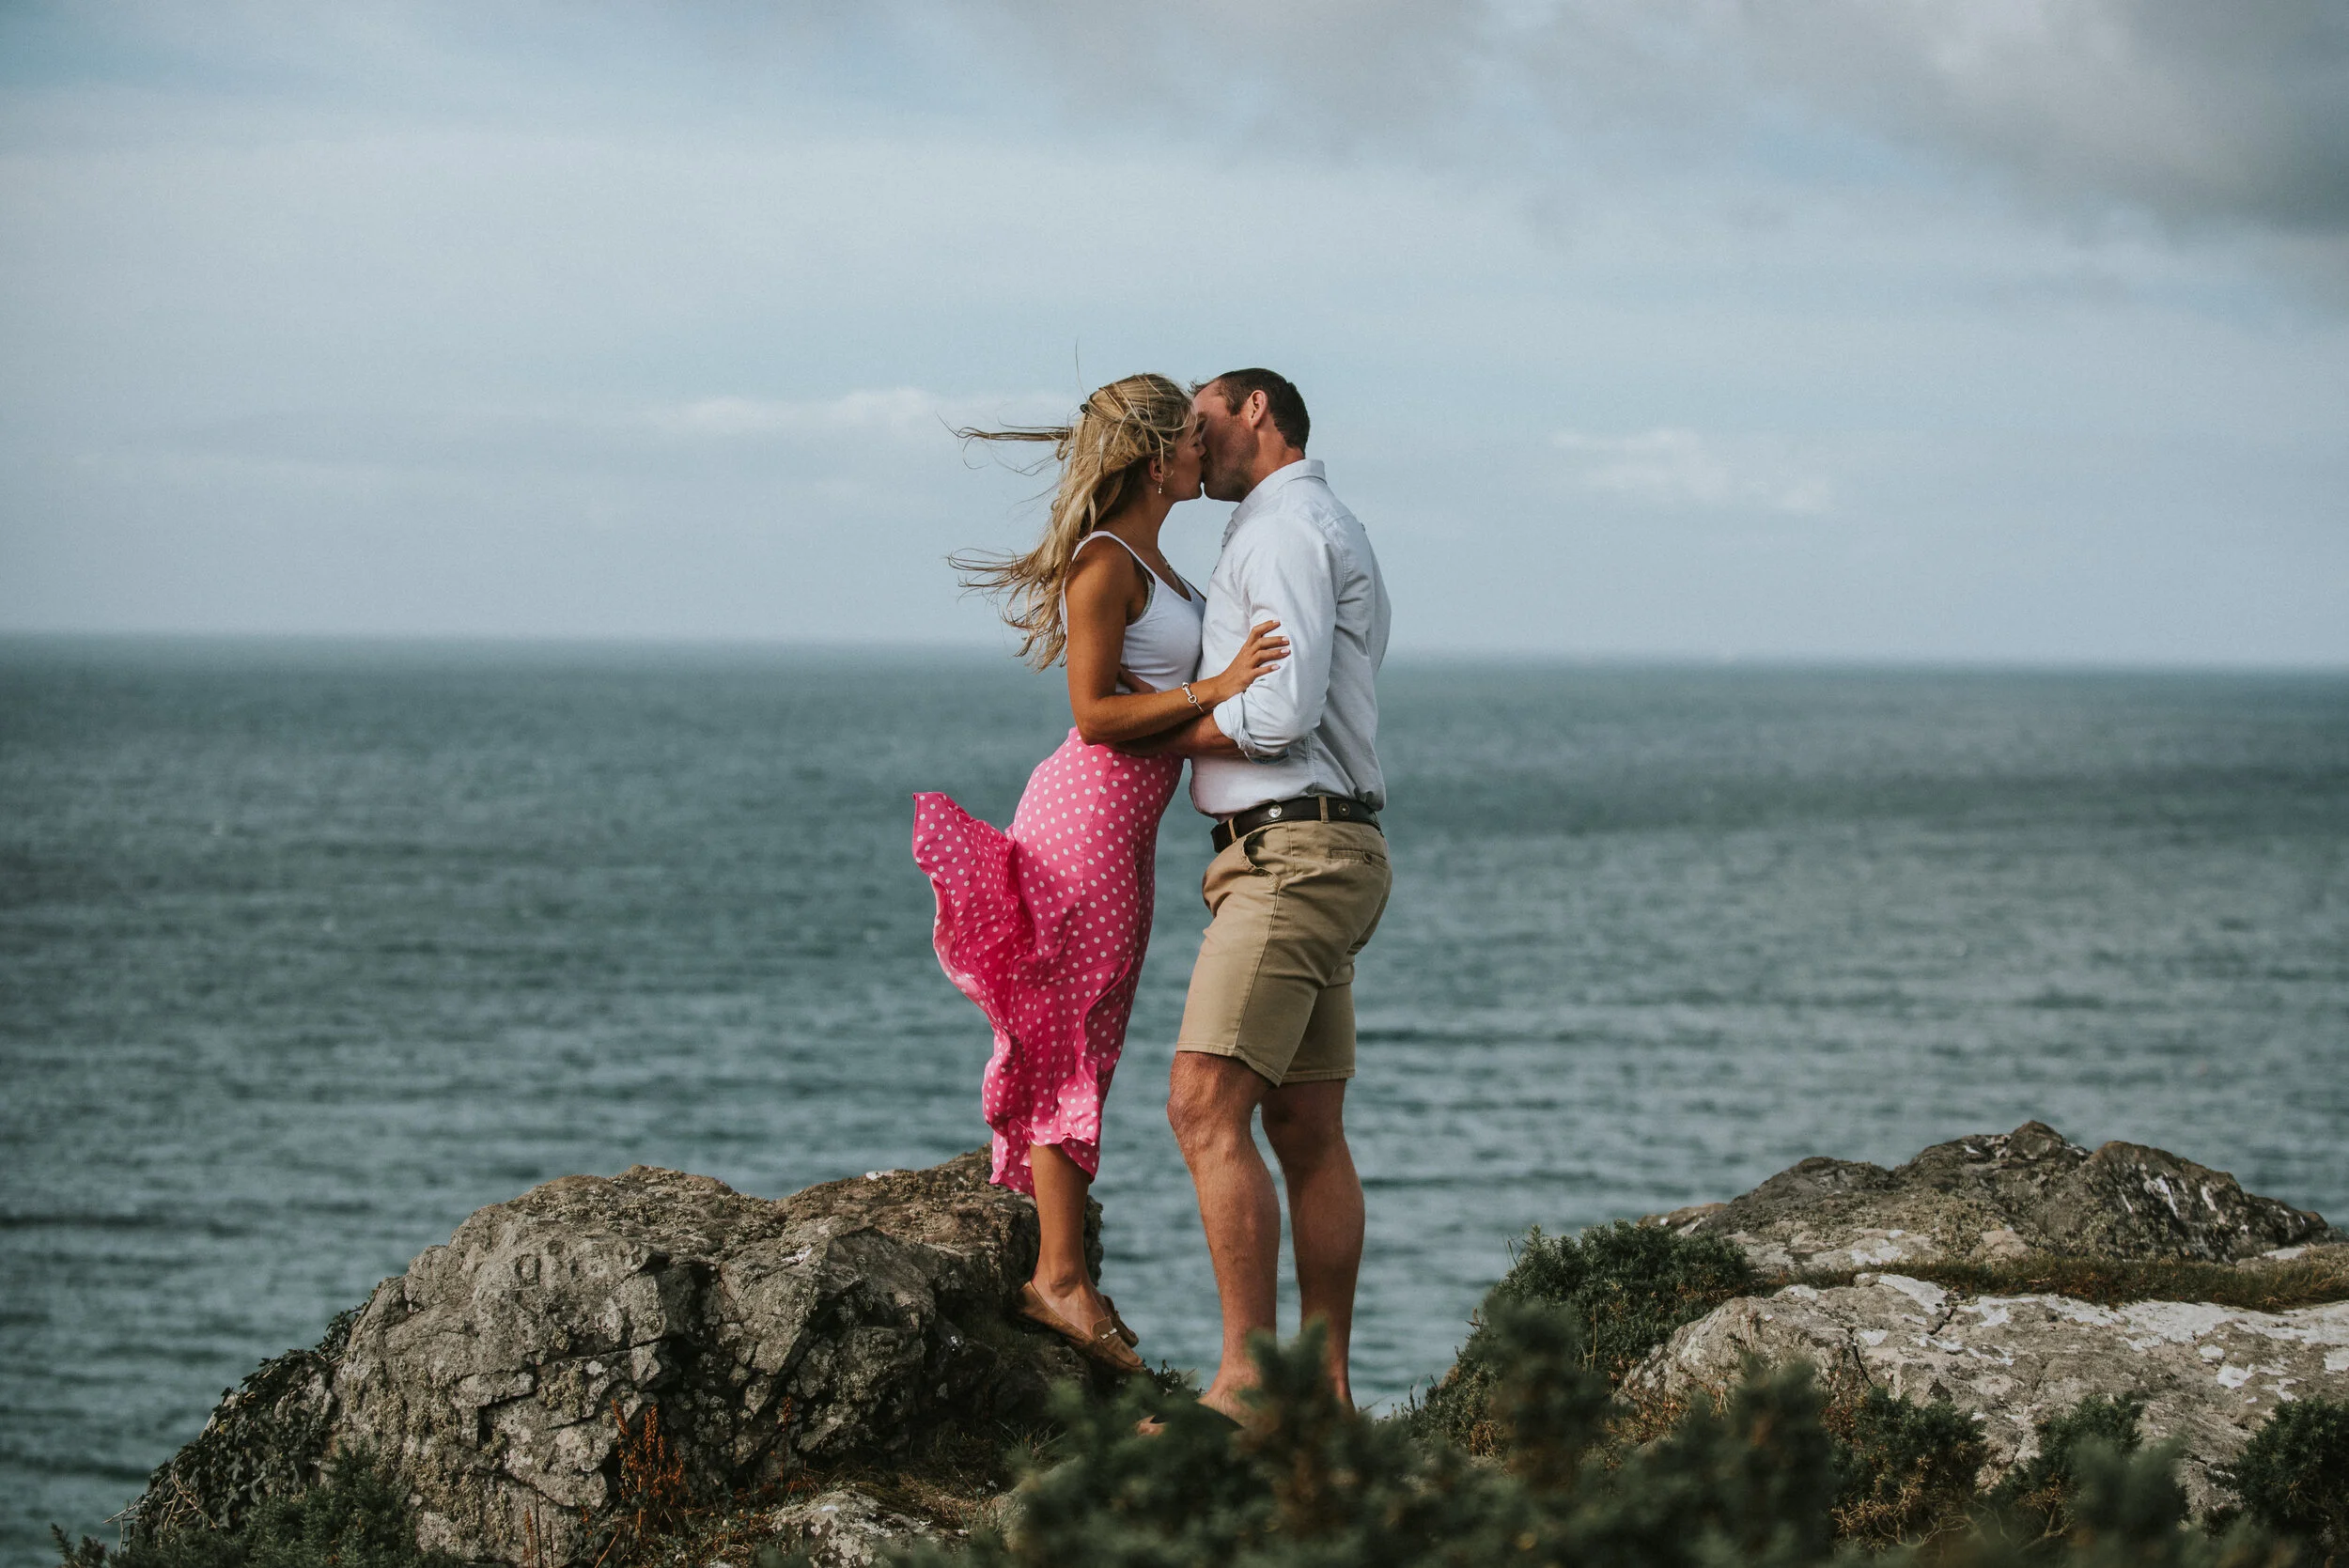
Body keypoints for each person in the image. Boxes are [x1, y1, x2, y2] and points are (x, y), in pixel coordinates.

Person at [911, 373, 1289, 1376]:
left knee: (1090, 1041)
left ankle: (1062, 1266)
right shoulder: (1103, 562)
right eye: (1192, 441)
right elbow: (1092, 714)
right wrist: (1216, 688)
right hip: (1082, 820)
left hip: (1123, 837)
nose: (1206, 451)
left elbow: (1161, 707)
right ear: (1156, 455)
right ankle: (1059, 1277)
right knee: (1066, 1039)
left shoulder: (1154, 559)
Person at [1118, 368, 1392, 1420]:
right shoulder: (1322, 522)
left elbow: (1274, 717)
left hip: (1291, 853)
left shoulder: (1279, 531)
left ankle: (1247, 1386)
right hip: (1323, 846)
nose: (1185, 446)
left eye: (1199, 423)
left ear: (1255, 414)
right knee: (1305, 1125)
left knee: (1201, 1105)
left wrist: (1141, 726)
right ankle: (1321, 1396)